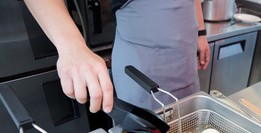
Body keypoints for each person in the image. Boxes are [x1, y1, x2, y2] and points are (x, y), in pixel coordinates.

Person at [24, 0, 210, 113]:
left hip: (185, 56)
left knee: (187, 125)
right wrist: (72, 45)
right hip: (143, 63)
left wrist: (201, 33)